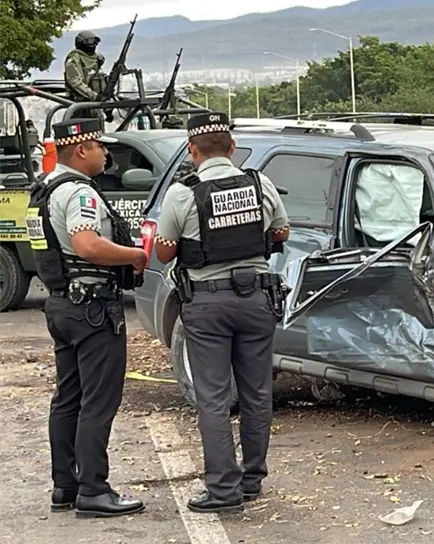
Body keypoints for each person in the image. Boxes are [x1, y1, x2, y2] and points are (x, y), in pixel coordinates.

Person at [153, 112, 291, 514]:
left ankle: (223, 490)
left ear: (192, 151)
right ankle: (252, 480)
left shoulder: (182, 193)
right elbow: (282, 232)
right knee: (257, 393)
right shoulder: (259, 184)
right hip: (256, 300)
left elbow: (163, 250)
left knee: (213, 398)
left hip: (207, 304)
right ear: (232, 148)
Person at [25, 118, 148, 518]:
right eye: (100, 146)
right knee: (98, 400)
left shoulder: (43, 189)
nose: (105, 154)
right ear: (81, 149)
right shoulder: (79, 192)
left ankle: (66, 485)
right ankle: (94, 489)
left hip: (62, 304)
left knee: (68, 398)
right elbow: (88, 245)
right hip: (92, 308)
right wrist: (135, 255)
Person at [64, 31, 112, 121]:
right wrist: (94, 96)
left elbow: (101, 84)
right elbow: (75, 82)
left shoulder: (96, 59)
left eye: (94, 42)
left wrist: (108, 110)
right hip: (80, 106)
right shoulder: (74, 58)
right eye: (90, 42)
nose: (93, 45)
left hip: (96, 107)